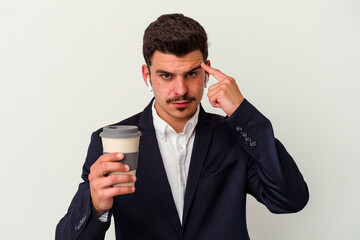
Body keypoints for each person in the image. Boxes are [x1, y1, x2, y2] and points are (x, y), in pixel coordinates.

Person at [56, 13, 309, 240]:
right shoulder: (110, 141)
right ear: (147, 76)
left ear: (207, 72)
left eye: (191, 74)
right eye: (166, 75)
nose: (181, 90)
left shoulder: (235, 133)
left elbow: (290, 200)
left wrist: (244, 114)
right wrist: (95, 205)